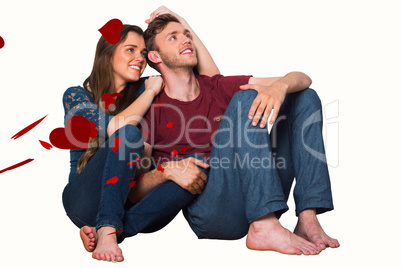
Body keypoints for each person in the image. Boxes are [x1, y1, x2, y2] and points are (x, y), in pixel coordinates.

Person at [134, 14, 340, 255]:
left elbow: (304, 79)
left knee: (304, 96)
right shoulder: (152, 104)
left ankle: (307, 218)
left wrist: (279, 87)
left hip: (260, 191)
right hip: (211, 207)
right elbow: (136, 179)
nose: (186, 40)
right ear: (155, 56)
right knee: (246, 97)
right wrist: (167, 171)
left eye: (187, 35)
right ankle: (264, 225)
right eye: (173, 37)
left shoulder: (216, 86)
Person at [61, 7, 218, 263]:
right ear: (107, 53)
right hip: (85, 198)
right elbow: (115, 129)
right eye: (130, 50)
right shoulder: (78, 97)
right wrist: (149, 92)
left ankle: (110, 232)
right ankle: (108, 227)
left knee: (195, 168)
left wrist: (183, 23)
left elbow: (211, 83)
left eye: (144, 52)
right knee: (131, 136)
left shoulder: (147, 84)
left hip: (134, 201)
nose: (140, 58)